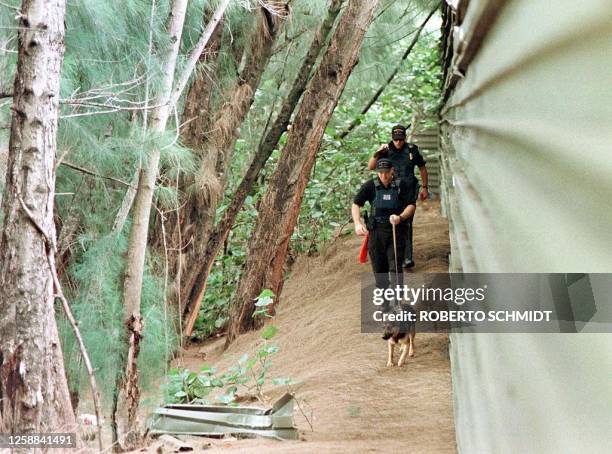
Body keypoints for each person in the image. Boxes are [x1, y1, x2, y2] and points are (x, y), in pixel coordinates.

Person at [367, 124, 428, 269]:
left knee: (406, 221)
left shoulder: (412, 150)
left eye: (401, 139)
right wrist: (377, 153)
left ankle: (407, 257)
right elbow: (371, 167)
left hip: (408, 191)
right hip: (390, 191)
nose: (398, 142)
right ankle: (393, 256)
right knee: (391, 222)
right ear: (392, 138)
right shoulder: (385, 150)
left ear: (405, 138)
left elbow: (422, 167)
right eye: (396, 139)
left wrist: (425, 187)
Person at [352, 158, 416, 292]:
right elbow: (356, 204)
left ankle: (398, 302)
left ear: (392, 170)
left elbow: (411, 205)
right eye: (380, 172)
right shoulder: (370, 186)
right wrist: (357, 223)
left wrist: (400, 217)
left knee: (395, 268)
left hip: (396, 231)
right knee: (379, 269)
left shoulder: (401, 185)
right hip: (376, 233)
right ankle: (384, 303)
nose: (383, 175)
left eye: (386, 172)